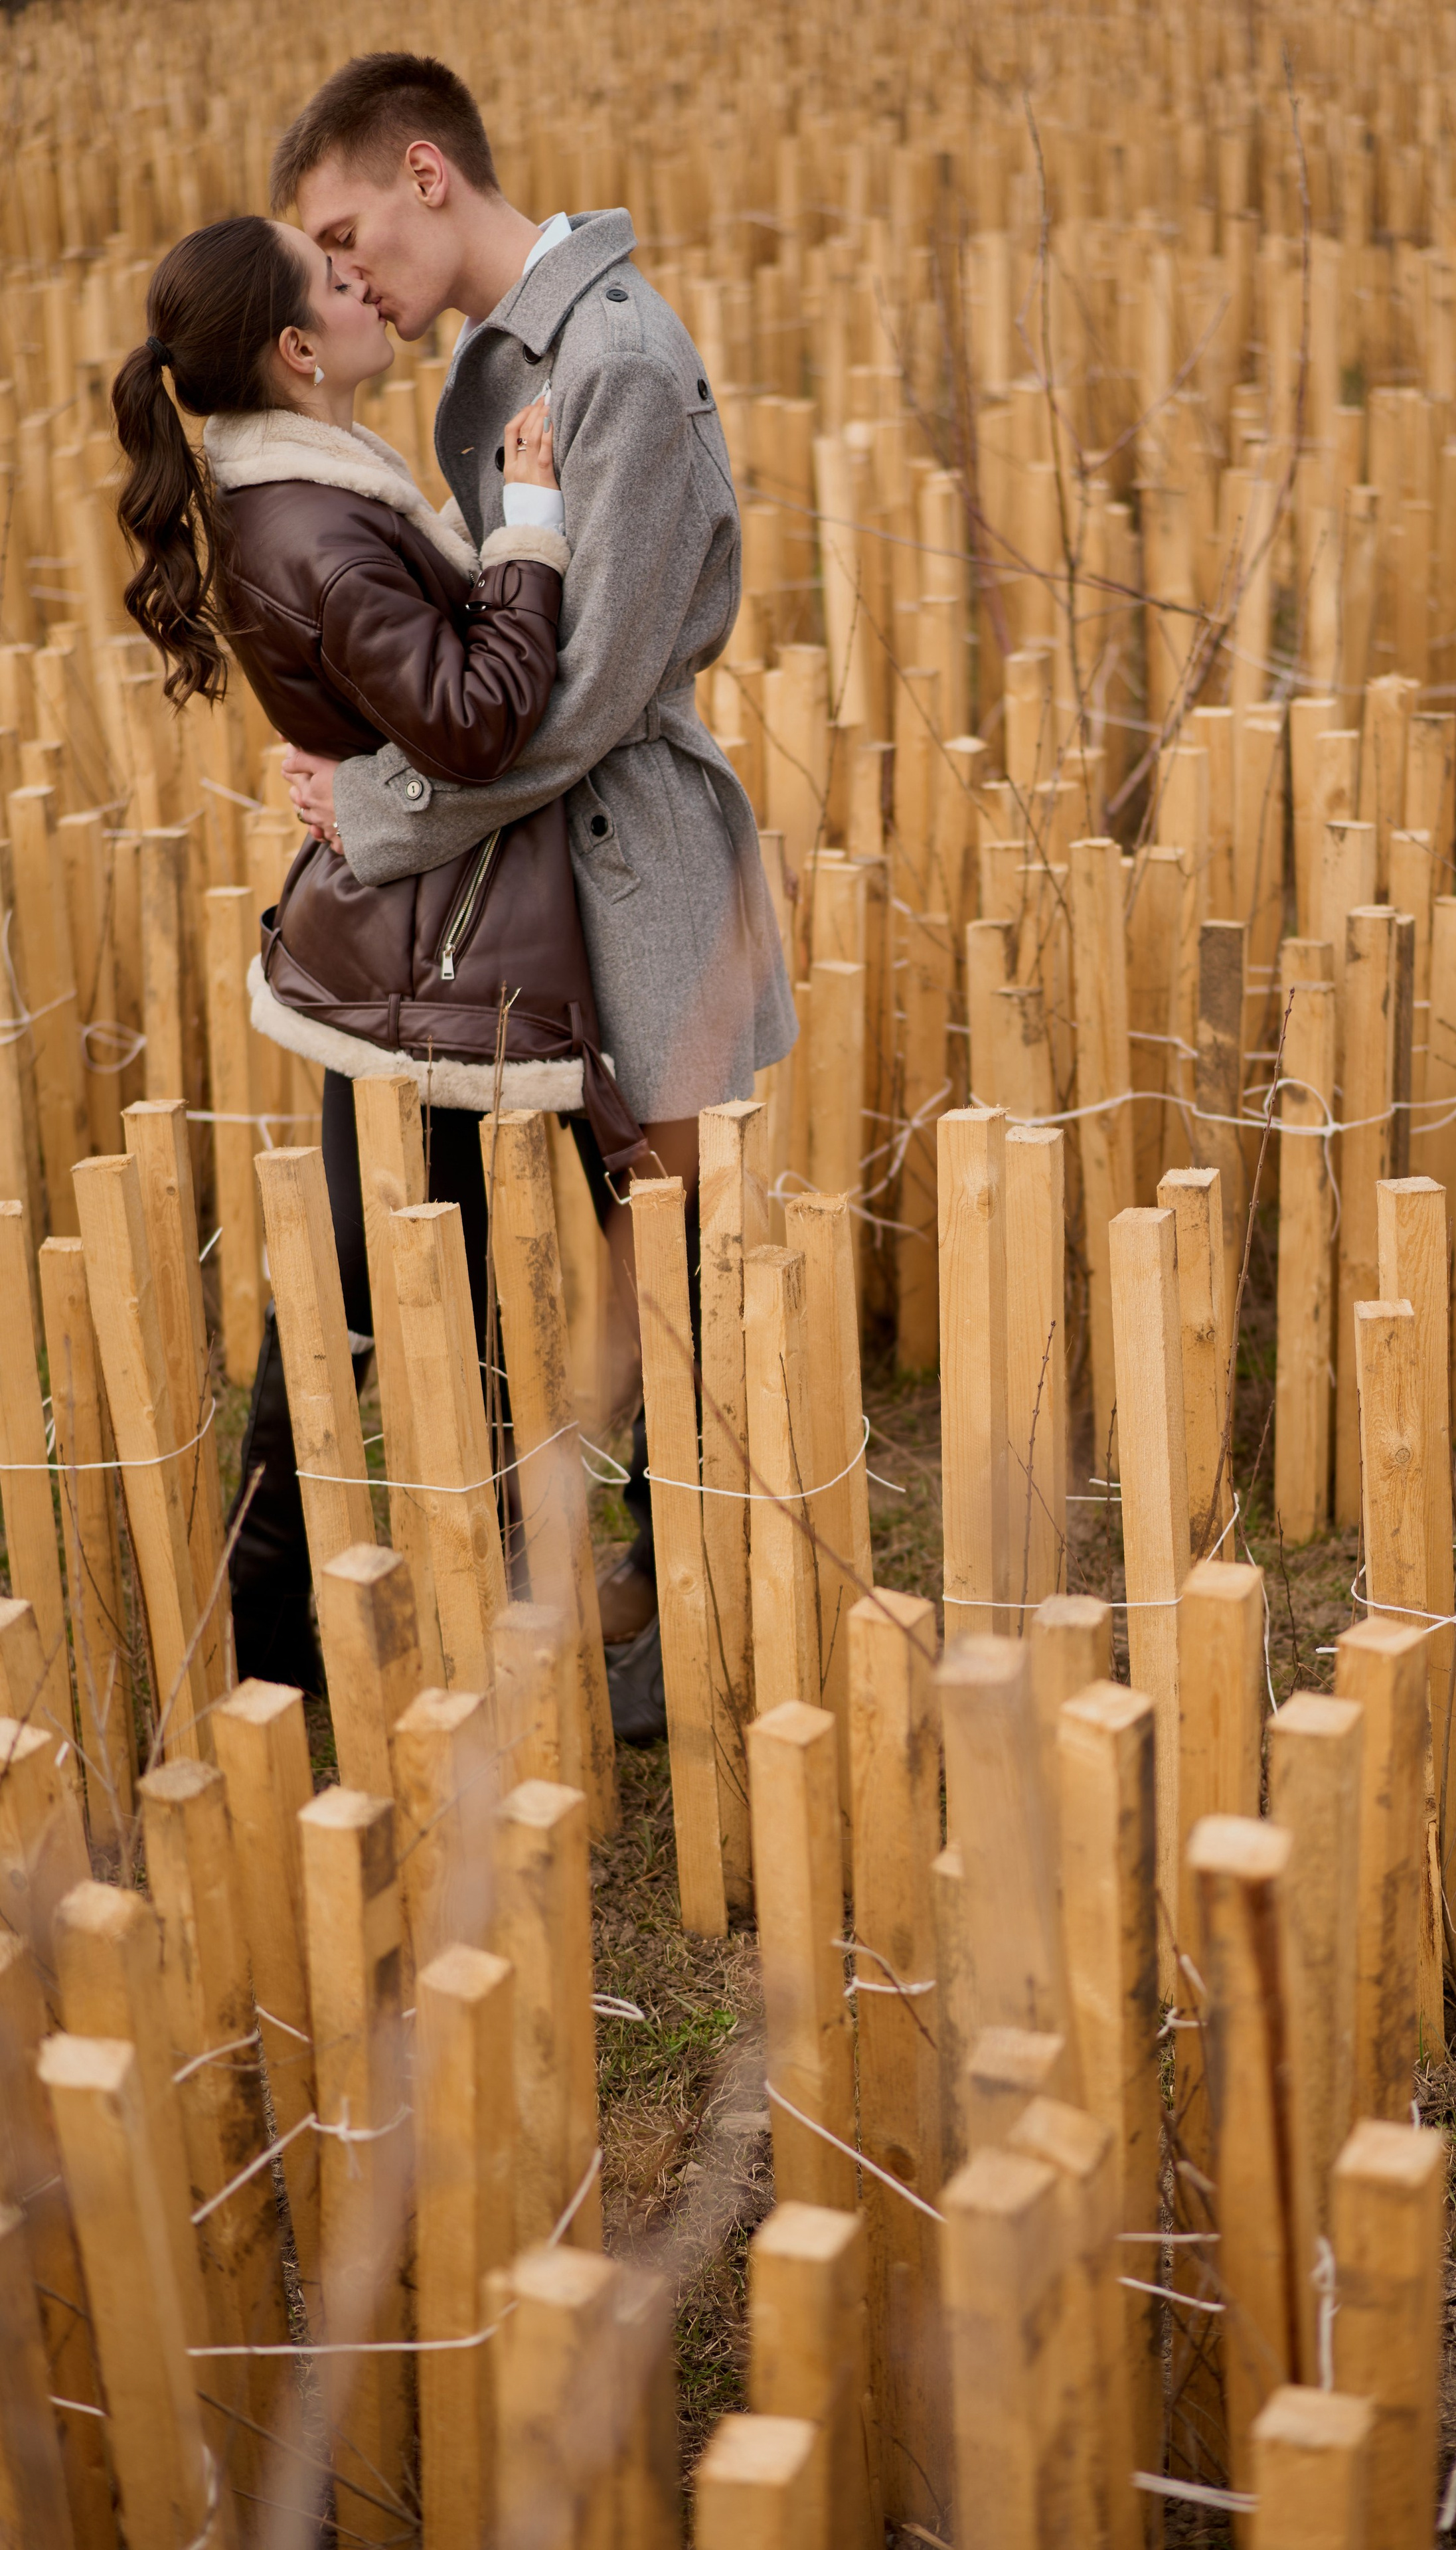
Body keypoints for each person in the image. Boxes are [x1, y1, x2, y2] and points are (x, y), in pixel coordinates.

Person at [268, 53, 797, 1656]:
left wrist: (371, 814)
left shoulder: (612, 361)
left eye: (352, 231)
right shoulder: (504, 364)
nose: (346, 275)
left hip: (633, 862)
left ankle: (705, 1639)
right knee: (573, 1244)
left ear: (429, 173)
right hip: (532, 873)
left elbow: (569, 710)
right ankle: (614, 1593)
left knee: (682, 1255)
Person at [111, 210, 643, 1697]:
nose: (367, 285)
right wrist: (531, 522)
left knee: (395, 1297)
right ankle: (266, 1658)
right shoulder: (319, 530)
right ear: (296, 348)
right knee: (363, 1305)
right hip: (429, 972)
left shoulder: (316, 496)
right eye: (338, 281)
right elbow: (476, 717)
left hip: (420, 953)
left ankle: (311, 1640)